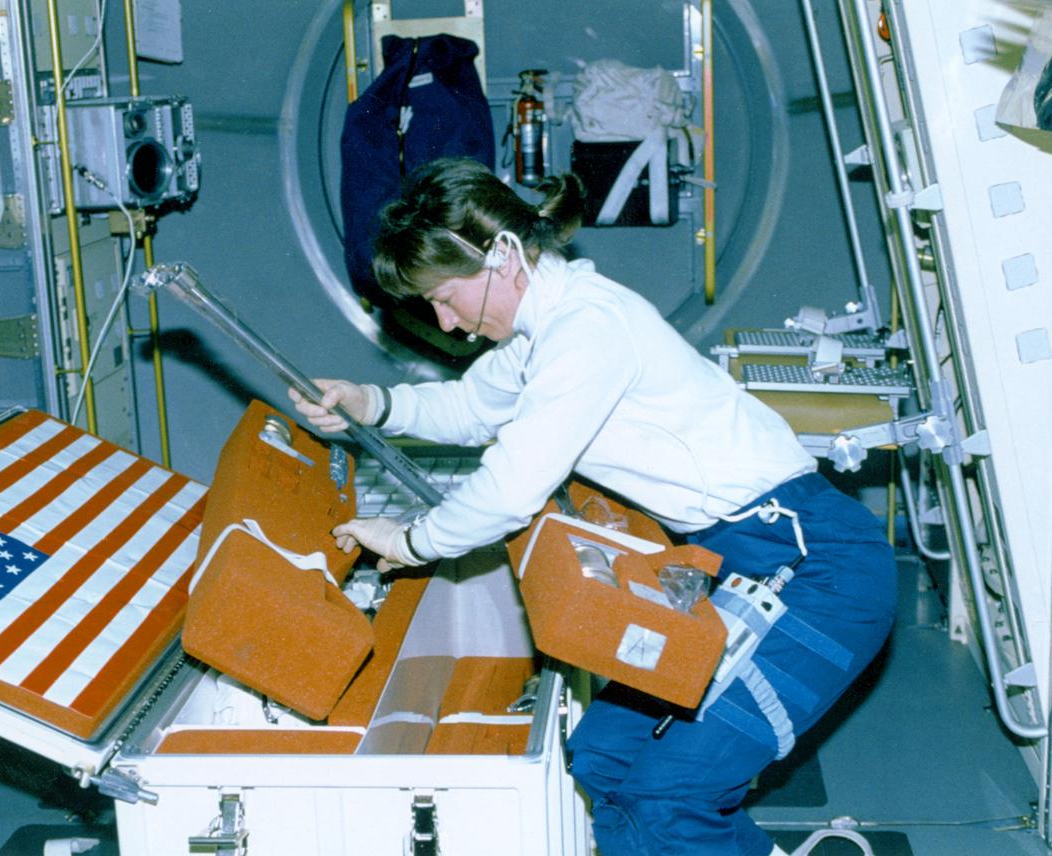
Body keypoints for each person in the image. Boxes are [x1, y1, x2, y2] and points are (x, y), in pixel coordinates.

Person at [290, 157, 896, 856]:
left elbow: (512, 488)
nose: (446, 323)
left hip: (818, 570)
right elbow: (467, 406)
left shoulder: (587, 328)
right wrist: (372, 403)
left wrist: (410, 542)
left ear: (503, 254)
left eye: (447, 297)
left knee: (671, 794)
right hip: (745, 565)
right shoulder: (543, 336)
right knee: (605, 758)